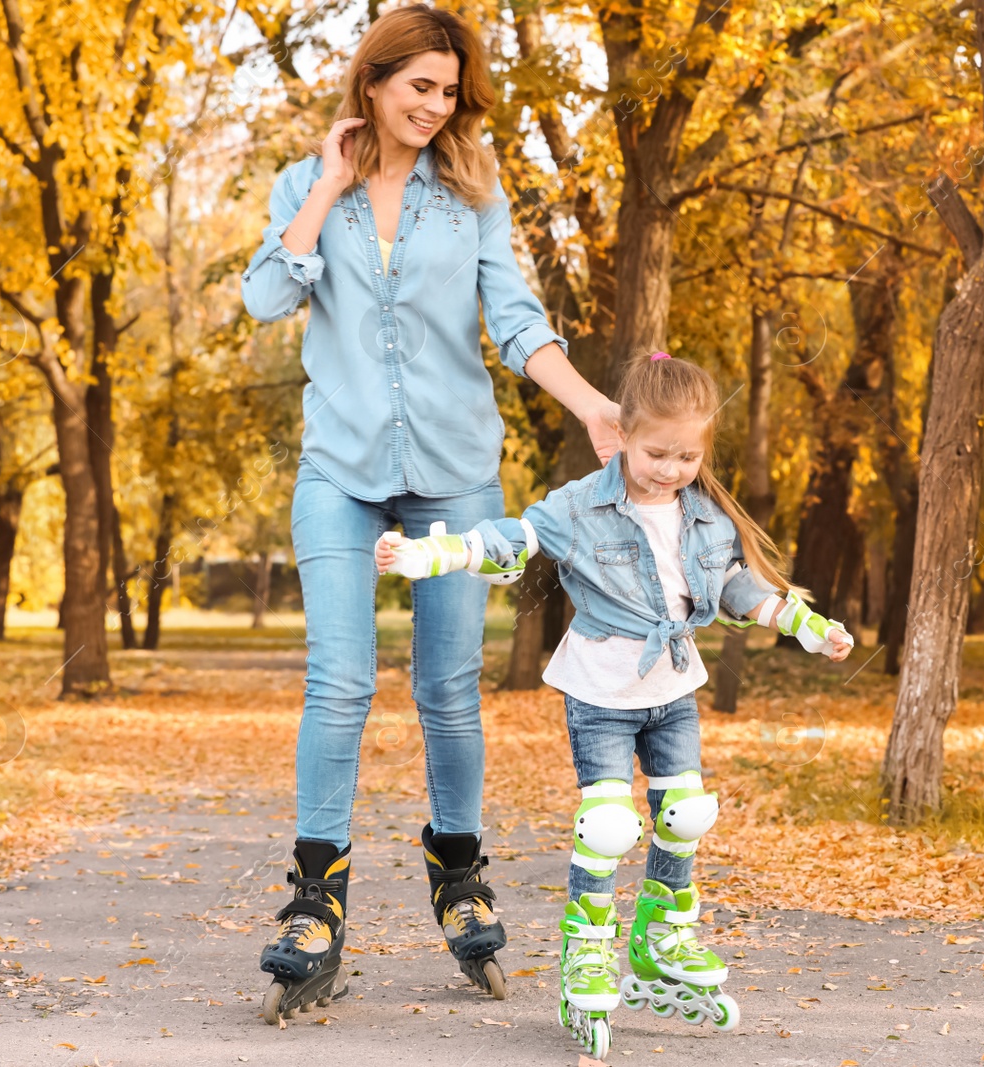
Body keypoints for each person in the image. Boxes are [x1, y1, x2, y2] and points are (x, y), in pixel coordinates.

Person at [239, 4, 620, 1024]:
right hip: (342, 468)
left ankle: (460, 875)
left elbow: (517, 322)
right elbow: (268, 298)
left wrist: (593, 408)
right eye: (419, 87)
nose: (434, 107)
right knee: (340, 680)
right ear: (374, 81)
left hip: (453, 469)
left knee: (448, 687)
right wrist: (324, 185)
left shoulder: (473, 191)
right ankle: (316, 900)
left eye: (448, 92)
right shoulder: (302, 184)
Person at [377, 353, 853, 1057]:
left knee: (686, 812)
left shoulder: (704, 515)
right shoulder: (581, 505)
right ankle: (588, 947)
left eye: (687, 455)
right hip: (601, 691)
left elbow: (731, 588)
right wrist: (434, 554)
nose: (670, 468)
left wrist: (803, 623)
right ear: (624, 433)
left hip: (672, 689)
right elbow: (514, 538)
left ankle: (662, 933)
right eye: (657, 452)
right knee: (606, 824)